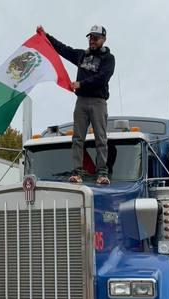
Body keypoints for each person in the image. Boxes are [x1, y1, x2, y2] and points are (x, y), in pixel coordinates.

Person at [36, 25, 115, 184]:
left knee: (101, 138)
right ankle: (77, 172)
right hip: (81, 102)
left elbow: (103, 78)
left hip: (98, 102)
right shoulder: (81, 55)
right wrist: (46, 35)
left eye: (95, 38)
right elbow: (63, 49)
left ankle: (102, 173)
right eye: (90, 37)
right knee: (78, 138)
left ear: (103, 39)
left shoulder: (109, 58)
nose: (92, 40)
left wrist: (81, 84)